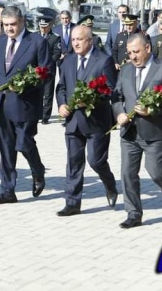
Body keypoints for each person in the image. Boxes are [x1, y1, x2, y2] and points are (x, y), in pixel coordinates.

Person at [0, 5, 51, 204]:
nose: (9, 29)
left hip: (25, 104)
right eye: (5, 25)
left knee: (23, 143)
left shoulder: (37, 42)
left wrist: (26, 85)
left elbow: (47, 73)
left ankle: (37, 170)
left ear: (21, 22)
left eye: (13, 24)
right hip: (0, 104)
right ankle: (7, 190)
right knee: (6, 149)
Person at [112, 33, 162, 228]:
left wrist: (153, 109)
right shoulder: (125, 69)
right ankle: (133, 213)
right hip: (129, 132)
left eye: (136, 52)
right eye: (129, 52)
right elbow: (116, 96)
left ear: (148, 48)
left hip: (155, 132)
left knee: (157, 172)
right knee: (127, 173)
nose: (133, 56)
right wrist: (119, 113)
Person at [55, 25, 118, 216]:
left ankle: (109, 183)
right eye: (73, 39)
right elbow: (61, 87)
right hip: (73, 121)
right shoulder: (68, 61)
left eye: (79, 39)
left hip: (96, 121)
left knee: (95, 161)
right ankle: (72, 203)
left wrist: (90, 100)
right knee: (74, 162)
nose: (75, 43)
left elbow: (111, 89)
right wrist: (61, 104)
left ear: (90, 40)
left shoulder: (104, 60)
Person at [37, 16, 62, 124]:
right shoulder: (35, 36)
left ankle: (45, 116)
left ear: (50, 26)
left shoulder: (55, 38)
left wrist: (46, 64)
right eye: (41, 27)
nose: (43, 29)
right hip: (36, 70)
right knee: (37, 92)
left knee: (48, 93)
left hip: (48, 70)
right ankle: (36, 113)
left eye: (45, 27)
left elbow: (56, 53)